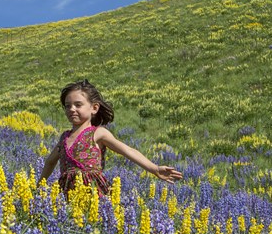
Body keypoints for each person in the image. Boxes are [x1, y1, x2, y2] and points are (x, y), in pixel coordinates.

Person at [39, 79, 183, 197]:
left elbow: (127, 150)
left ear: (94, 108)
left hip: (93, 192)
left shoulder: (98, 133)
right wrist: (39, 187)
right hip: (67, 192)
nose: (71, 109)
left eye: (78, 105)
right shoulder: (64, 138)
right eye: (67, 106)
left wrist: (154, 168)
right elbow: (50, 162)